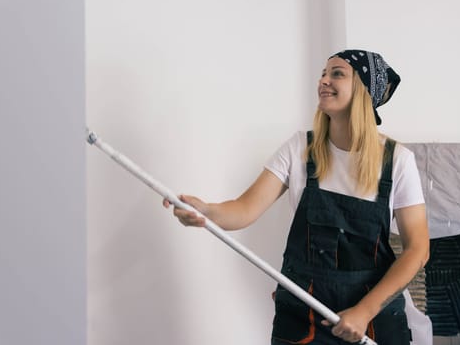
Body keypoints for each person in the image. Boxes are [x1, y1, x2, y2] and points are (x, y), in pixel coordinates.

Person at [163, 49, 430, 345]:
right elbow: (243, 209)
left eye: (337, 73)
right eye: (323, 73)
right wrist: (205, 212)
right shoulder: (300, 149)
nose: (324, 81)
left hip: (372, 316)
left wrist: (364, 312)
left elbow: (418, 250)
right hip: (304, 312)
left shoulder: (397, 161)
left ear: (364, 90)